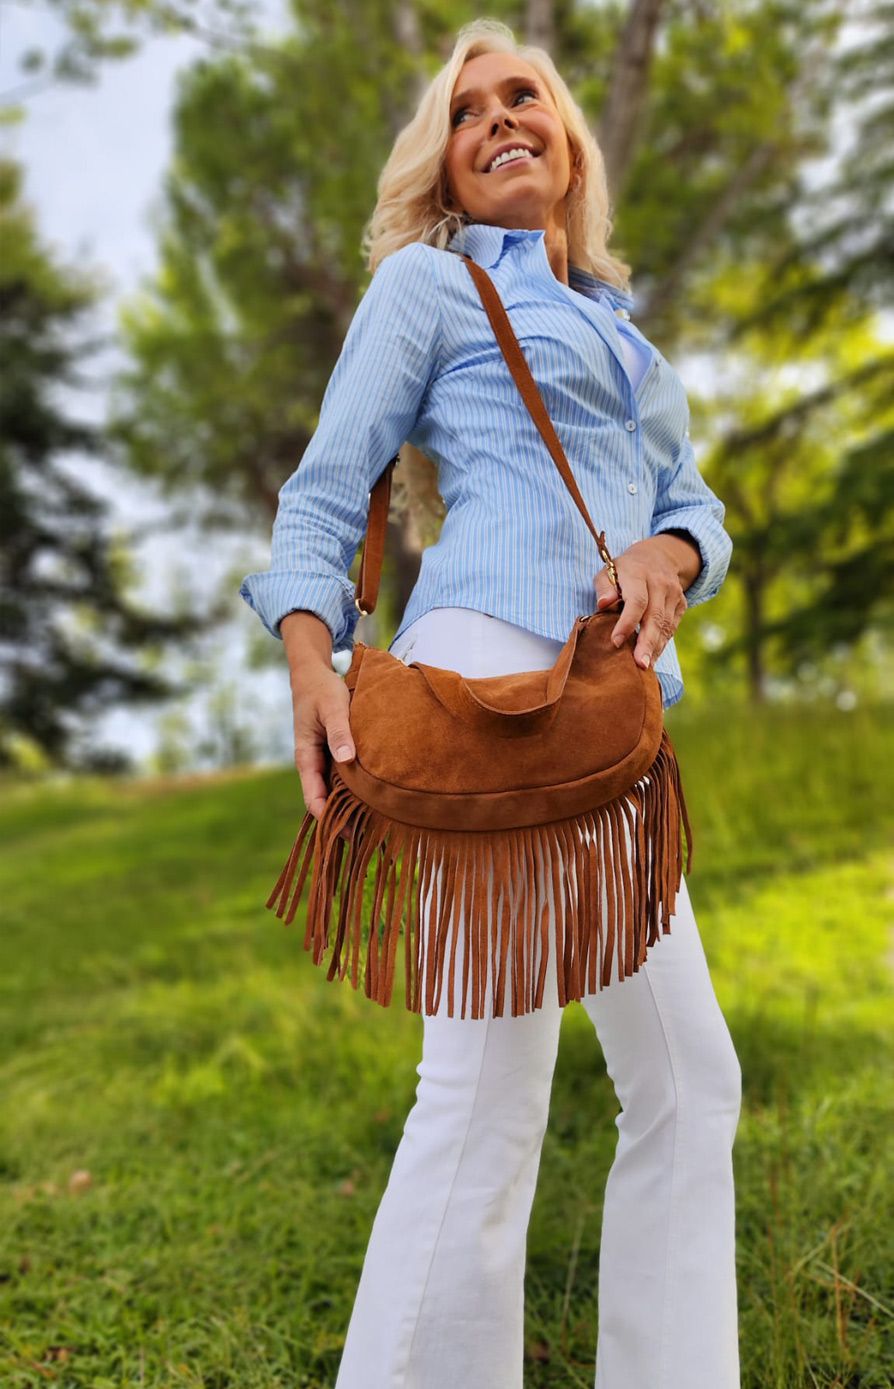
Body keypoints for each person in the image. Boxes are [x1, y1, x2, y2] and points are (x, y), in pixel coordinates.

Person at [239, 17, 742, 1389]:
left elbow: (694, 504)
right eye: (467, 114)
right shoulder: (430, 286)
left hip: (610, 720)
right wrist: (311, 660)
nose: (500, 118)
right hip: (488, 686)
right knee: (486, 1091)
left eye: (524, 95)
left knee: (688, 1083)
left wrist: (670, 551)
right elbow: (325, 491)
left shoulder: (623, 337)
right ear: (446, 170)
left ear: (568, 139)